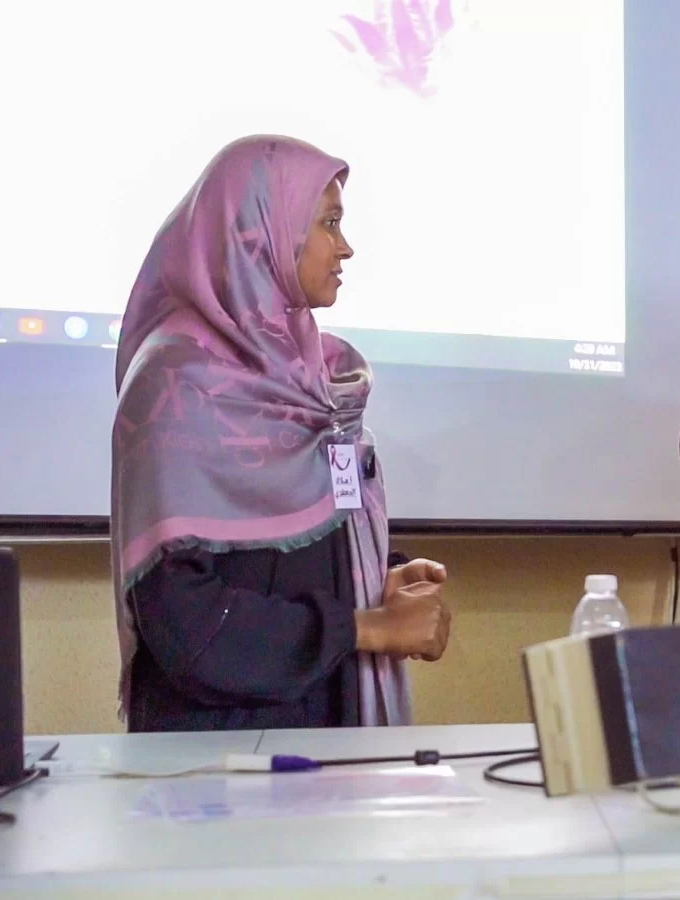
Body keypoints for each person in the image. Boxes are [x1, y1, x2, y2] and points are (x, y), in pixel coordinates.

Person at [111, 135, 451, 732]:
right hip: (214, 754)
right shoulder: (175, 383)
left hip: (333, 725)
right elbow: (183, 621)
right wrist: (365, 628)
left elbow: (305, 543)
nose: (345, 247)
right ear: (263, 234)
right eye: (329, 223)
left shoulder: (321, 378)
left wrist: (377, 582)